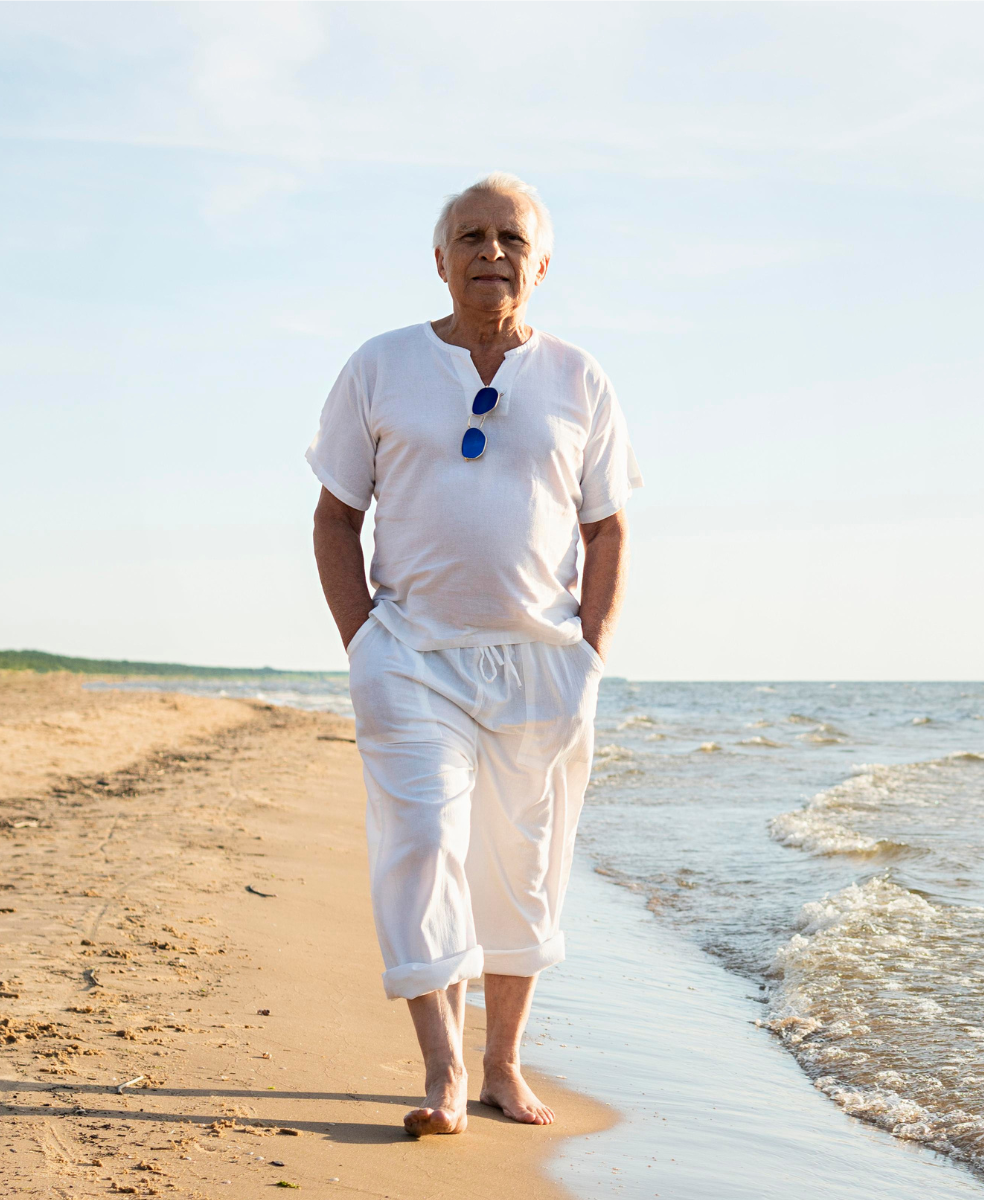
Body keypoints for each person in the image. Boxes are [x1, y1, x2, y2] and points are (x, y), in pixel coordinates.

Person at [307, 172, 641, 1137]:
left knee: (523, 865)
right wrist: (363, 639)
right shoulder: (380, 366)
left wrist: (591, 653)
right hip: (411, 654)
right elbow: (335, 516)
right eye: (471, 236)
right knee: (422, 846)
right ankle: (443, 1068)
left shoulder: (582, 379)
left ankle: (504, 1065)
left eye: (509, 237)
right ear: (440, 259)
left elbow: (611, 528)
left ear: (541, 263)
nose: (490, 251)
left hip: (542, 662)